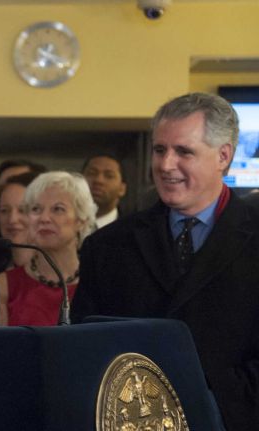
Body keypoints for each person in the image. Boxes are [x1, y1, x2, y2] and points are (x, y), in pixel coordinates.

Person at [72, 92, 259, 430]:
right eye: (160, 150)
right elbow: (86, 347)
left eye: (183, 152)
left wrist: (210, 402)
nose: (165, 164)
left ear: (223, 156)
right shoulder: (109, 246)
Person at [0, 171, 95, 326]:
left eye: (58, 209)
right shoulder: (4, 285)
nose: (44, 218)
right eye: (36, 209)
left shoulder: (98, 282)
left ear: (81, 220)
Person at [82, 154, 126, 229]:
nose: (98, 180)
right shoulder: (61, 226)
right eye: (92, 173)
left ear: (122, 189)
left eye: (109, 176)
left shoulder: (133, 231)